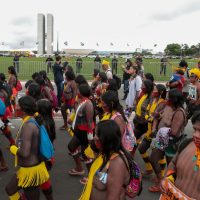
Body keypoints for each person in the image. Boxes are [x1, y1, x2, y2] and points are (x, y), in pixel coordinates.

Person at [79, 120, 141, 200]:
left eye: (97, 134)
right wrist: (92, 179)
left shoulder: (117, 163)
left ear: (106, 139)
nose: (94, 137)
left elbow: (113, 197)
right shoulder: (103, 154)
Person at [5, 96, 50, 200]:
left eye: (17, 105)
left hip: (31, 171)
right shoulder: (29, 121)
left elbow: (24, 152)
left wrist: (13, 149)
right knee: (9, 189)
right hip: (27, 169)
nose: (15, 107)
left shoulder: (28, 125)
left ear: (23, 110)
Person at [149, 88, 186, 192]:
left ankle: (168, 187)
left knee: (171, 169)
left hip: (171, 144)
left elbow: (174, 132)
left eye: (169, 97)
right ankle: (160, 180)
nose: (167, 99)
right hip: (163, 141)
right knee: (153, 158)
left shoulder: (179, 112)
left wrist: (162, 130)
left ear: (174, 99)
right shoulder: (169, 107)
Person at [160, 111, 200, 199]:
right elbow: (173, 163)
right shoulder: (186, 143)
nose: (195, 135)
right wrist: (168, 178)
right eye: (195, 129)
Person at [138, 84, 166, 176]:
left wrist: (151, 117)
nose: (153, 91)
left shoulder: (162, 103)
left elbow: (157, 116)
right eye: (153, 89)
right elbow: (147, 111)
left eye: (155, 90)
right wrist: (148, 117)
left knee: (159, 155)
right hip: (149, 131)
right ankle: (149, 168)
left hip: (156, 133)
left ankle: (161, 175)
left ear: (160, 93)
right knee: (142, 149)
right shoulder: (152, 100)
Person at [68, 84, 95, 179]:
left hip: (85, 134)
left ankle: (91, 176)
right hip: (78, 132)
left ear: (82, 93)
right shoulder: (82, 101)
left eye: (78, 91)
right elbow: (77, 113)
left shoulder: (88, 104)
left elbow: (90, 122)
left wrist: (90, 138)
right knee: (71, 147)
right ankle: (79, 168)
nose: (77, 92)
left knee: (85, 155)